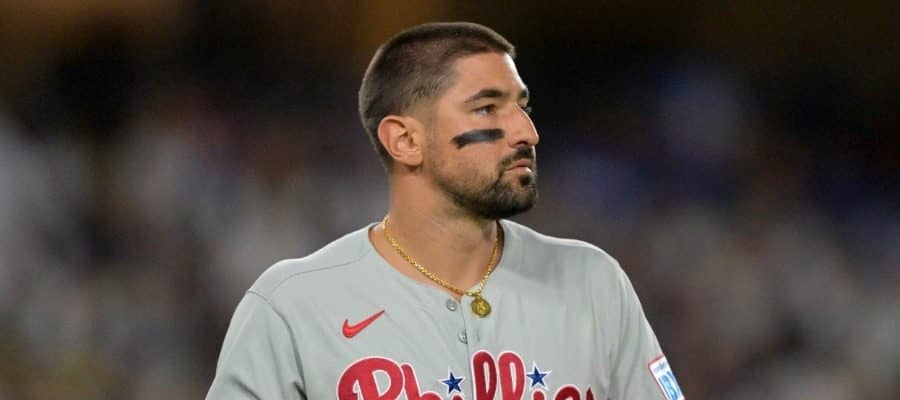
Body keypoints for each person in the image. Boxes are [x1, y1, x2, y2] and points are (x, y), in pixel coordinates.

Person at [207, 22, 684, 400]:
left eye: (522, 106)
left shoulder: (593, 282)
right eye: (487, 108)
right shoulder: (294, 305)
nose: (527, 132)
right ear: (405, 140)